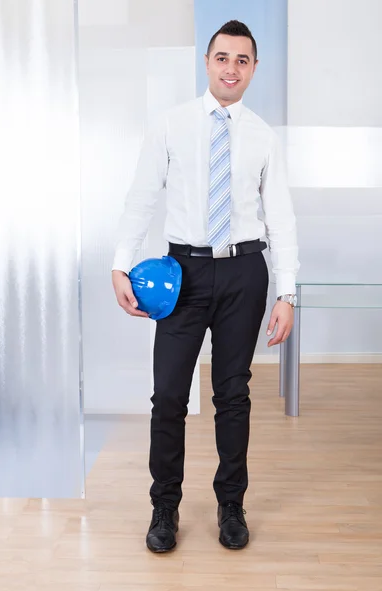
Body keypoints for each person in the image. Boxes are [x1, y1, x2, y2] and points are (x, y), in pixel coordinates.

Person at [111, 20, 299, 553]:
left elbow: (280, 218)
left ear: (254, 68)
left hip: (244, 272)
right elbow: (141, 197)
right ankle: (164, 507)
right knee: (169, 394)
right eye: (223, 57)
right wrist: (120, 264)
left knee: (232, 393)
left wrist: (287, 294)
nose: (231, 68)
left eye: (242, 60)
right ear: (207, 62)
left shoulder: (263, 136)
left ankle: (231, 504)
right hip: (182, 275)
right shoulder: (170, 126)